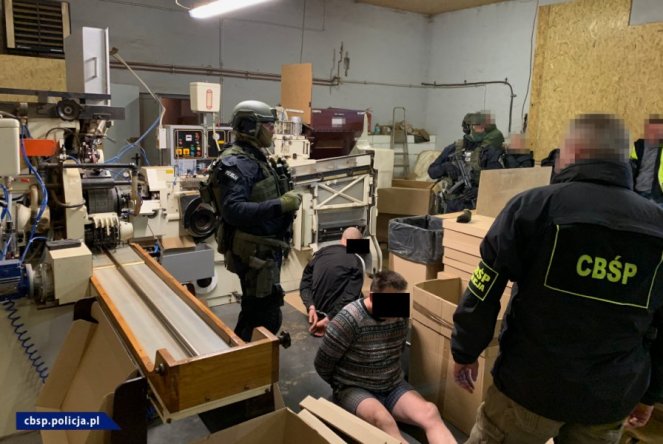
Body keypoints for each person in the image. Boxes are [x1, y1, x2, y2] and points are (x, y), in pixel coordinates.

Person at [451, 113, 663, 443]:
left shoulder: (533, 207)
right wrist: (651, 393)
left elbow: (484, 290)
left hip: (530, 388)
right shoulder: (658, 227)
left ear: (576, 151)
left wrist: (465, 351)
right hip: (610, 397)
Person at [315, 271, 457, 444]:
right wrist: (342, 386)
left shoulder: (400, 315)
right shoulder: (347, 320)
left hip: (391, 384)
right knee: (384, 420)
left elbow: (397, 351)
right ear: (373, 297)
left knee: (430, 412)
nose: (395, 310)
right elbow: (322, 364)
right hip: (354, 387)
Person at [203, 100, 302, 342]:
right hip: (254, 251)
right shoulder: (238, 163)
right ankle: (246, 357)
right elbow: (233, 210)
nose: (273, 131)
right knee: (263, 316)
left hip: (265, 248)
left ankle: (244, 354)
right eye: (269, 126)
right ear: (251, 127)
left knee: (258, 310)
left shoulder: (254, 157)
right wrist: (281, 204)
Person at [428, 112, 504, 212]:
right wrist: (445, 167)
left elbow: (499, 182)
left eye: (484, 127)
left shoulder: (489, 152)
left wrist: (479, 191)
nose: (482, 130)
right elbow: (431, 172)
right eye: (478, 127)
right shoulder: (453, 148)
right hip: (451, 205)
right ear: (467, 128)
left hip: (475, 205)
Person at [299, 227, 365, 337]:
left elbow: (305, 284)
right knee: (361, 296)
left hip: (315, 312)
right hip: (333, 317)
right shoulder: (357, 261)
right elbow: (351, 296)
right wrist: (329, 318)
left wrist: (310, 306)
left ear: (341, 239)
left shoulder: (320, 253)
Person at [630, 115, 663, 204]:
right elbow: (630, 168)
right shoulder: (638, 146)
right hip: (637, 193)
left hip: (657, 196)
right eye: (651, 130)